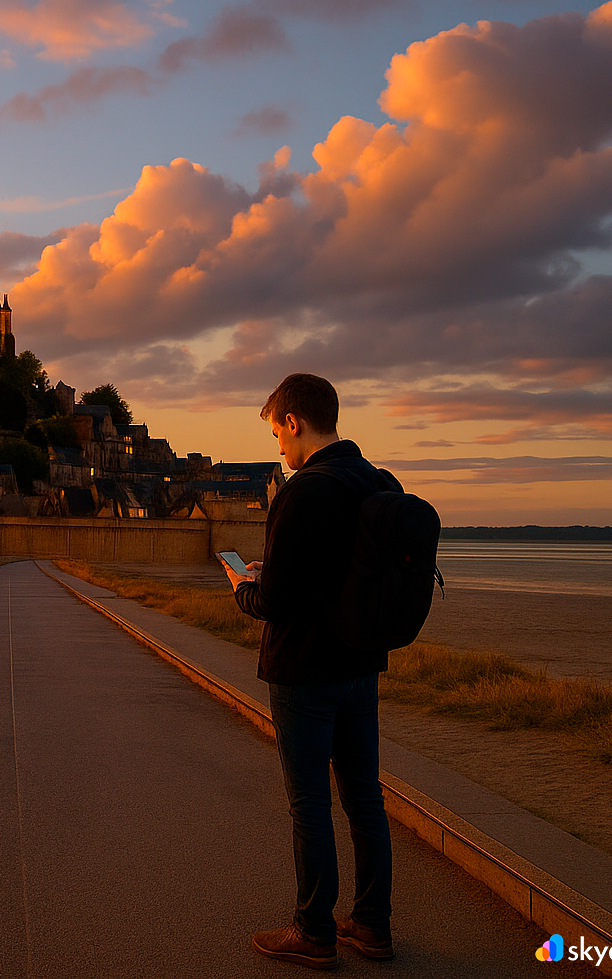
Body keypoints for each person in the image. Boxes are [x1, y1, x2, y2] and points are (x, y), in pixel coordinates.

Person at [220, 373, 397, 970]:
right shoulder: (376, 482)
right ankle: (372, 926)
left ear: (294, 421)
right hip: (362, 663)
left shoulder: (301, 492)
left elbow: (278, 602)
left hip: (304, 672)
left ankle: (313, 930)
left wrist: (244, 587)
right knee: (365, 799)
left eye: (276, 433)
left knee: (309, 805)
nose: (278, 448)